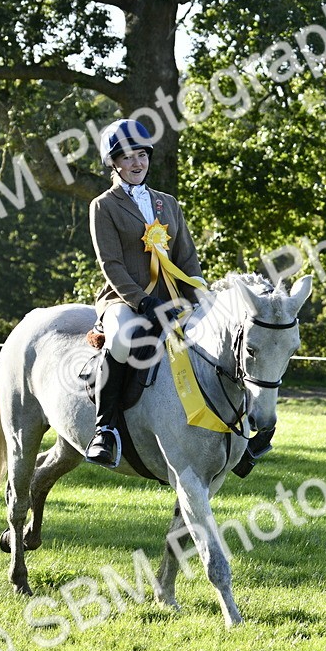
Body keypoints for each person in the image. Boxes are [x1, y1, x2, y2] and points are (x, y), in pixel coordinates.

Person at [85, 118, 206, 467]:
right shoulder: (103, 206)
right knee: (123, 337)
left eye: (142, 155)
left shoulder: (167, 204)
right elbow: (111, 263)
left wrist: (197, 299)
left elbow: (187, 257)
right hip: (122, 299)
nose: (137, 163)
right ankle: (104, 429)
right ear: (114, 163)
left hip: (170, 297)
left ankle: (231, 432)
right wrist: (142, 301)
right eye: (127, 157)